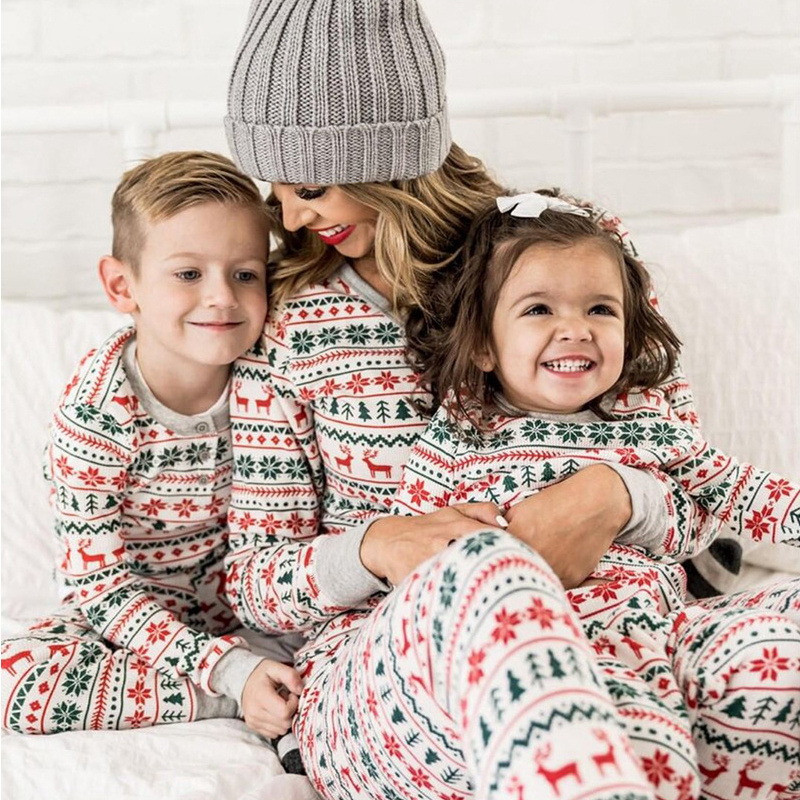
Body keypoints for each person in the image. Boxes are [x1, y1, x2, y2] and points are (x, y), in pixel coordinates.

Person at [220, 3, 741, 799]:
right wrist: (376, 547)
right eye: (277, 192)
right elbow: (254, 580)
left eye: (312, 188)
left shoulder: (566, 249)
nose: (290, 219)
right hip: (393, 661)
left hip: (617, 633)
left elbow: (701, 492)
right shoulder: (291, 321)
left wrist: (614, 495)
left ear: (388, 164)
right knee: (486, 578)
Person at [392, 188, 800, 799]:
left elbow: (747, 492)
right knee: (651, 751)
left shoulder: (648, 431)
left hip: (660, 633)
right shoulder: (454, 442)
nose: (575, 329)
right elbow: (412, 562)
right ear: (482, 346)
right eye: (539, 310)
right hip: (548, 652)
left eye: (601, 310)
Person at [0, 152, 304, 756]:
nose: (221, 297)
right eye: (188, 273)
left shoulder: (274, 373)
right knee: (16, 682)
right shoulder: (96, 416)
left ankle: (283, 687)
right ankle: (238, 696)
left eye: (245, 274)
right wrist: (227, 672)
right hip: (135, 622)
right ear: (122, 286)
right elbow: (100, 589)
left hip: (258, 607)